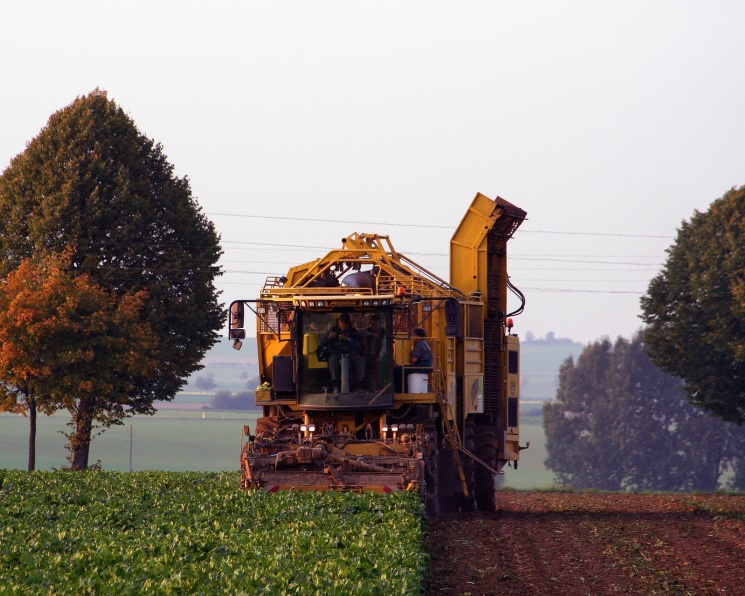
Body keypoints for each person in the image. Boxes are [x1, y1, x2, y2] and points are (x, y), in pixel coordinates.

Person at [320, 313, 366, 392]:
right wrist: (329, 338)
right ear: (339, 322)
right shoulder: (333, 330)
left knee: (361, 360)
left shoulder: (353, 332)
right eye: (342, 323)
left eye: (345, 323)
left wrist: (347, 339)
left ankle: (358, 384)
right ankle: (335, 384)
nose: (343, 325)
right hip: (336, 353)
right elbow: (322, 343)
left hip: (351, 354)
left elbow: (359, 344)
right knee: (332, 360)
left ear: (349, 323)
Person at [394, 328, 433, 392]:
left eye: (414, 335)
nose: (412, 337)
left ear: (419, 336)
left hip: (421, 366)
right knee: (405, 370)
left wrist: (411, 355)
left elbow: (413, 360)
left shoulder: (419, 344)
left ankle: (400, 392)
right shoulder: (425, 343)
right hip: (427, 366)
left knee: (397, 370)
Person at [360, 314, 387, 390]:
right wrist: (372, 334)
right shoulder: (368, 330)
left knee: (382, 364)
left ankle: (380, 385)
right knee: (361, 362)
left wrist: (380, 355)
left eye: (376, 324)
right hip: (369, 356)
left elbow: (385, 345)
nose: (374, 326)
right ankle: (367, 385)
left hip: (380, 356)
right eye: (372, 324)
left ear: (380, 323)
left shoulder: (384, 332)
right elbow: (359, 332)